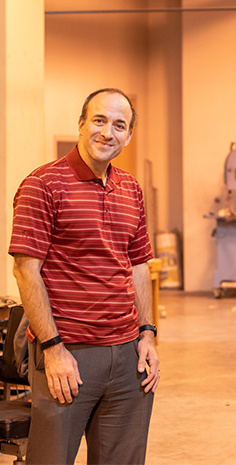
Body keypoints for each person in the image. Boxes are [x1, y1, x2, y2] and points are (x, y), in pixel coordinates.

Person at [9, 88, 160, 465]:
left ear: (128, 136)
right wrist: (53, 348)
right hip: (68, 355)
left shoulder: (131, 188)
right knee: (51, 459)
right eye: (99, 120)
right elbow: (26, 271)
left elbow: (140, 264)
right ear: (81, 124)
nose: (108, 132)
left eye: (119, 125)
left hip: (128, 356)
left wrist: (148, 334)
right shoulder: (42, 185)